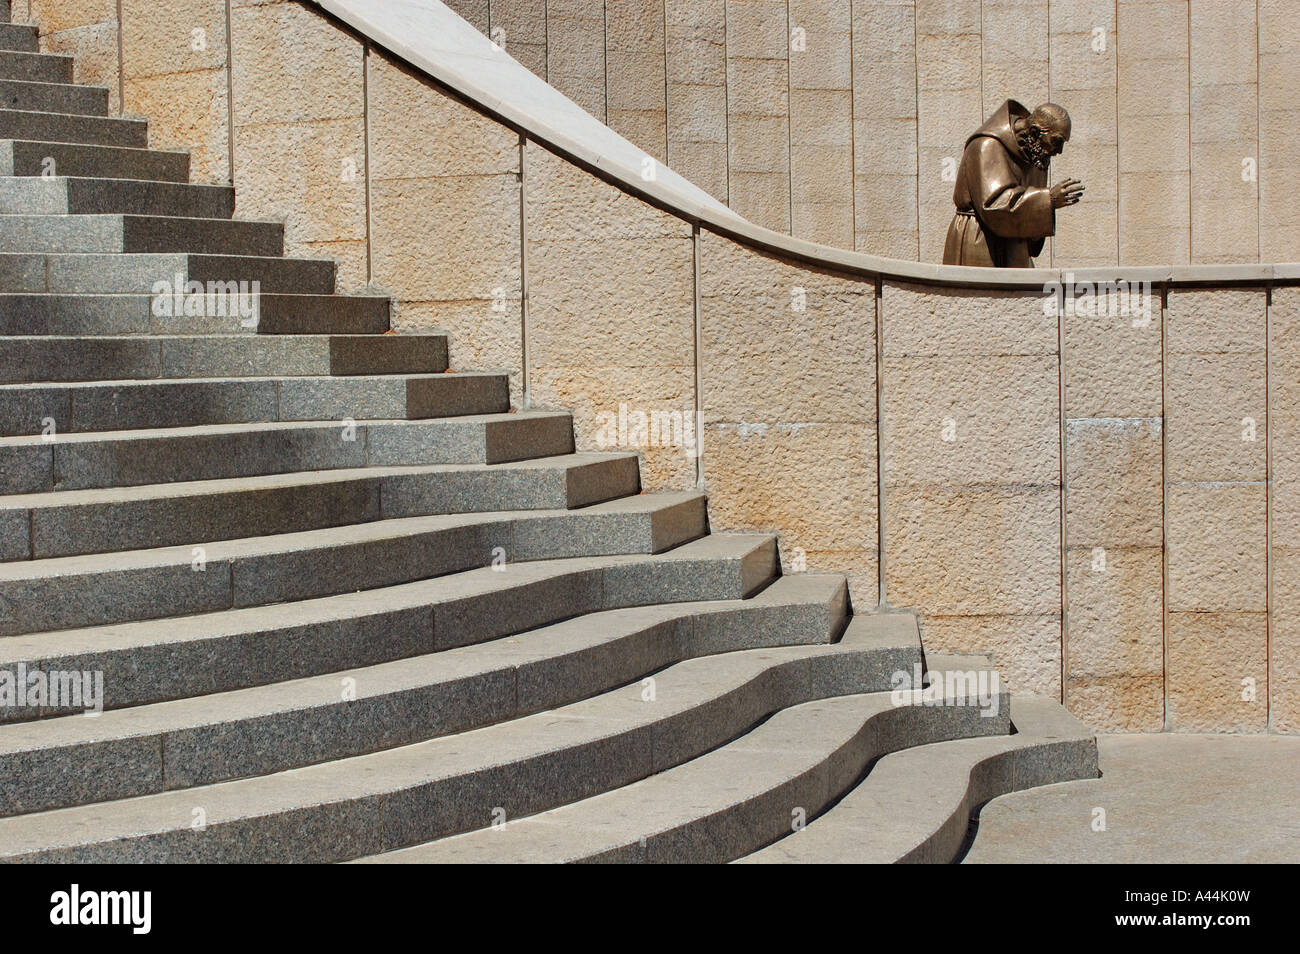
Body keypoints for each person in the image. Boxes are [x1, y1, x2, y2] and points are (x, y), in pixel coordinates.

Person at [943, 100, 1085, 268]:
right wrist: (1048, 200)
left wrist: (1046, 204)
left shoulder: (1037, 154)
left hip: (1015, 245)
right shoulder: (987, 145)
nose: (1059, 151)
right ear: (1034, 131)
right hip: (980, 240)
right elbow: (993, 205)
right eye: (1056, 141)